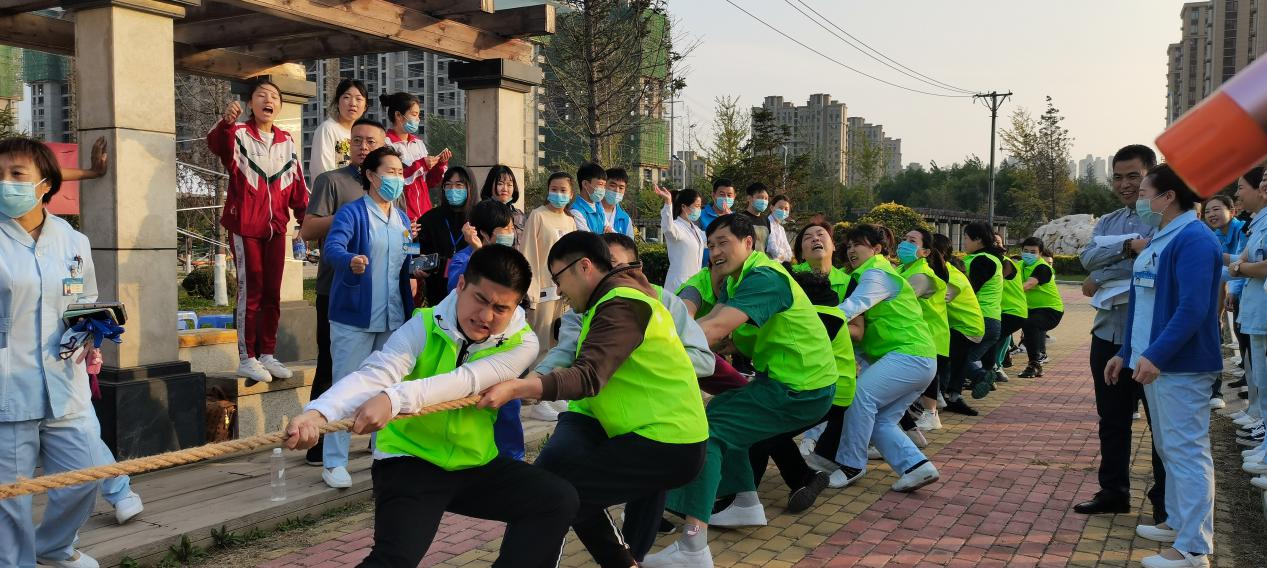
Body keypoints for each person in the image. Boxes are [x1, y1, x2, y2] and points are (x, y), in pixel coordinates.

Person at [285, 246, 578, 568]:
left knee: (556, 499)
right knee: (395, 560)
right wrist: (318, 413)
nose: (485, 316)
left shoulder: (523, 343)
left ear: (515, 307)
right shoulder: (422, 325)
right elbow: (376, 373)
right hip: (410, 460)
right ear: (461, 285)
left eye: (500, 308)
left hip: (474, 463)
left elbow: (467, 381)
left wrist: (392, 399)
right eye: (480, 299)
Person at [479, 231, 708, 568]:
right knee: (567, 496)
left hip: (666, 442)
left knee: (554, 497)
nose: (559, 290)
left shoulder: (622, 304)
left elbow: (588, 375)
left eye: (559, 278)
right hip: (650, 435)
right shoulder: (614, 299)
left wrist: (518, 389)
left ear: (584, 266)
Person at [645, 214, 836, 568]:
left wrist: (653, 350)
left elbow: (715, 327)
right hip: (787, 382)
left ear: (748, 243)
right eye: (711, 245)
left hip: (800, 388)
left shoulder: (765, 277)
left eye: (723, 243)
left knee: (709, 432)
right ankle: (744, 502)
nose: (715, 251)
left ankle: (693, 547)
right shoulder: (739, 280)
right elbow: (714, 330)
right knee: (723, 411)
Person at [1107, 164, 1220, 568]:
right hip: (1152, 361)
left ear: (1168, 197)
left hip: (1180, 365)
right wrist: (1126, 351)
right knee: (1168, 448)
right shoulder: (1162, 237)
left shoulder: (1195, 239)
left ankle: (1193, 549)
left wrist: (1157, 354)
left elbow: (1193, 307)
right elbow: (1144, 302)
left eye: (1144, 192)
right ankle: (1177, 523)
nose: (1138, 199)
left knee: (1187, 451)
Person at [0, 137, 105, 568]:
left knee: (85, 476)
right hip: (9, 387)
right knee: (11, 500)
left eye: (16, 174)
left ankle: (53, 547)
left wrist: (92, 332)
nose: (5, 183)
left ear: (45, 183)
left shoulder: (73, 240)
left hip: (65, 382)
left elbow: (85, 299)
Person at [805, 223, 940, 492]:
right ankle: (917, 467)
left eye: (859, 244)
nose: (851, 250)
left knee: (859, 398)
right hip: (918, 359)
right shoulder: (874, 273)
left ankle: (851, 465)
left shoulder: (876, 273)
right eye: (849, 245)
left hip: (908, 355)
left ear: (877, 249)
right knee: (881, 420)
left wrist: (805, 322)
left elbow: (851, 308)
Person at [1074, 144, 1167, 521]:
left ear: (1151, 175)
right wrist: (1128, 248)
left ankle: (1164, 502)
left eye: (1134, 176)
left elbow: (1153, 264)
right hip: (1108, 334)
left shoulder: (1164, 219)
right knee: (1111, 420)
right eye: (1118, 177)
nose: (1125, 184)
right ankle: (1113, 492)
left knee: (1160, 425)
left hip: (1149, 339)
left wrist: (1103, 273)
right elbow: (1086, 259)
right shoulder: (1109, 221)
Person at [317, 146, 418, 489]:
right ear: (372, 176)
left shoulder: (401, 219)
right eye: (390, 172)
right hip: (354, 318)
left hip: (393, 317)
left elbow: (404, 260)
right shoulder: (352, 213)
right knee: (345, 388)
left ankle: (383, 450)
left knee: (388, 388)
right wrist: (351, 260)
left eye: (400, 173)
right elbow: (333, 249)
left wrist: (417, 267)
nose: (397, 178)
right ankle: (334, 462)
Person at [298, 118, 387, 466]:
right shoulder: (332, 181)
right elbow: (308, 229)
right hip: (336, 290)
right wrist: (355, 216)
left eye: (371, 142)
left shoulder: (389, 185)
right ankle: (319, 444)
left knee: (380, 369)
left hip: (379, 296)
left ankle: (379, 442)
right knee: (332, 367)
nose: (364, 147)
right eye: (357, 140)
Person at [207, 79, 308, 382]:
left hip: (276, 228)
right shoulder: (238, 133)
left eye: (274, 96)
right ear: (250, 103)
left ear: (280, 106)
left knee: (272, 293)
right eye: (261, 95)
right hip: (245, 225)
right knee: (250, 292)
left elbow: (297, 185)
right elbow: (216, 144)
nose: (269, 100)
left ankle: (267, 354)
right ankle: (247, 357)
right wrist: (226, 123)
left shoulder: (286, 140)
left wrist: (305, 219)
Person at [1232, 169, 1267, 477]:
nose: (1237, 194)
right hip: (1257, 312)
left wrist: (1241, 268)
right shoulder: (1257, 223)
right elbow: (1240, 261)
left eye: (1241, 187)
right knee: (1262, 381)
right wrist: (1242, 266)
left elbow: (1258, 266)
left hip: (1263, 312)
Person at [898, 228, 950, 431]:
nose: (904, 244)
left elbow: (899, 300)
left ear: (926, 252)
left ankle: (931, 414)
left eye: (912, 241)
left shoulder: (922, 275)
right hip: (918, 332)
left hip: (932, 333)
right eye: (904, 239)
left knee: (929, 379)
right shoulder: (902, 269)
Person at [522, 172, 579, 359]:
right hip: (542, 293)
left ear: (571, 194)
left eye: (563, 190)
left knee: (561, 343)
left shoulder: (570, 221)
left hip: (565, 294)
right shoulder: (538, 216)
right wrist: (531, 292)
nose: (558, 194)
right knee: (540, 346)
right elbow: (528, 253)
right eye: (554, 189)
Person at [947, 222, 1004, 403]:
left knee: (953, 358)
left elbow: (970, 288)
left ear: (978, 239)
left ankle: (979, 376)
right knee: (959, 360)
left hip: (978, 319)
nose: (963, 242)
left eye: (966, 237)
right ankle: (955, 395)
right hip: (991, 320)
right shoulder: (990, 258)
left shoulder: (983, 260)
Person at [932, 233, 987, 416]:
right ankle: (951, 395)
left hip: (966, 328)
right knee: (952, 360)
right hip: (963, 326)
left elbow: (935, 298)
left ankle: (942, 395)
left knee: (939, 357)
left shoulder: (950, 275)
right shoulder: (947, 272)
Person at [1203, 193, 1246, 408]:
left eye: (1216, 209)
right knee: (1241, 336)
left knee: (1250, 340)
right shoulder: (1217, 235)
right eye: (1207, 211)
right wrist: (1218, 313)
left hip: (1249, 291)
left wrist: (1233, 291)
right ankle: (1248, 382)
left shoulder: (1243, 230)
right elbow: (1220, 273)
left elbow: (1243, 264)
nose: (1211, 214)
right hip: (1237, 292)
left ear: (1232, 211)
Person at [414, 166, 478, 307]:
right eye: (448, 185)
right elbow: (412, 254)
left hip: (472, 297)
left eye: (459, 185)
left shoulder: (480, 218)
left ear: (470, 188)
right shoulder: (430, 218)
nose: (453, 190)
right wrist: (416, 265)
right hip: (437, 300)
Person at [380, 92, 449, 221]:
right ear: (398, 115)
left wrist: (440, 165)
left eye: (418, 115)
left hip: (425, 213)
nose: (418, 119)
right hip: (403, 213)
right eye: (414, 114)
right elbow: (395, 179)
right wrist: (422, 164)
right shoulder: (386, 143)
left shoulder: (418, 143)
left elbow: (428, 182)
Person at [1018, 237, 1065, 378]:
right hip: (1030, 309)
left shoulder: (1043, 268)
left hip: (1050, 310)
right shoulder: (1019, 265)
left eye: (1033, 252)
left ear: (1040, 253)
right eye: (1026, 251)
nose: (1028, 254)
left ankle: (1035, 364)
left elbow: (1029, 284)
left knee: (1030, 324)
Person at [309, 78, 368, 179]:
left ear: (365, 107)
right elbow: (322, 172)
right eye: (347, 97)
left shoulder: (365, 133)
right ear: (337, 102)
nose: (353, 103)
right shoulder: (327, 129)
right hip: (333, 188)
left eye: (358, 99)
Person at [655, 186, 706, 293]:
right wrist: (668, 203)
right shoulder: (676, 227)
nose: (699, 210)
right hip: (678, 284)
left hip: (695, 284)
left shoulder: (696, 230)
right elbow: (668, 228)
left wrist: (728, 219)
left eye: (700, 206)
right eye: (696, 206)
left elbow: (711, 238)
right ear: (684, 207)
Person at [993, 233, 1028, 383]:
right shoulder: (1001, 262)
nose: (995, 244)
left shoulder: (1004, 263)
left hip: (1010, 311)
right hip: (1007, 311)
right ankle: (998, 366)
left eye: (998, 242)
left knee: (992, 338)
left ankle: (994, 368)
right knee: (1002, 336)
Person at [791, 221, 851, 302]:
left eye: (820, 234)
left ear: (833, 246)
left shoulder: (848, 282)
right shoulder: (789, 275)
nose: (815, 239)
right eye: (808, 237)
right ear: (802, 254)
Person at [480, 164, 526, 248]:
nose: (505, 189)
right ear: (490, 185)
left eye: (509, 185)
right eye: (500, 184)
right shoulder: (483, 212)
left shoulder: (519, 214)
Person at [570, 162, 608, 233]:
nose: (603, 189)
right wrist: (606, 235)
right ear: (585, 184)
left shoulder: (599, 207)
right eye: (600, 184)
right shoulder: (576, 212)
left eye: (604, 185)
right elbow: (588, 239)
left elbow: (611, 231)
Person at [739, 182, 772, 252]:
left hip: (762, 258)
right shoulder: (740, 218)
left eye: (766, 198)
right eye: (760, 197)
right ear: (749, 198)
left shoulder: (766, 220)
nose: (763, 201)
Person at [601, 167, 633, 237]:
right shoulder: (591, 212)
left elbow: (630, 243)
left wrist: (614, 235)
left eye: (621, 188)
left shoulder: (625, 219)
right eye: (612, 186)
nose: (617, 190)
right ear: (603, 185)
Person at [766, 195, 794, 263]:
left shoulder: (781, 229)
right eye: (780, 208)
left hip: (781, 263)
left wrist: (786, 256)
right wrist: (784, 255)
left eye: (786, 209)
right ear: (772, 208)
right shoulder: (766, 223)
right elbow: (772, 248)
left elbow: (788, 250)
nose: (783, 211)